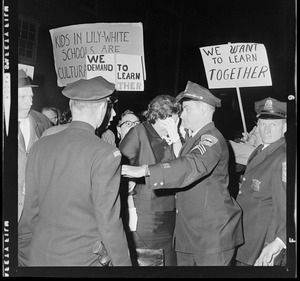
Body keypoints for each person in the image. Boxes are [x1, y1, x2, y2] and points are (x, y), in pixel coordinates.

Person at [121, 81, 244, 266]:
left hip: (210, 238)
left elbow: (190, 164)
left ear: (203, 110)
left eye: (186, 109)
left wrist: (144, 170)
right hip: (189, 235)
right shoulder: (193, 139)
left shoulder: (210, 139)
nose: (181, 114)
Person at [22, 76, 131, 266]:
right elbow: (109, 223)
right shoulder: (106, 153)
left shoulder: (40, 146)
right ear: (102, 108)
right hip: (82, 260)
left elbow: (30, 211)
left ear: (71, 105)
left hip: (39, 256)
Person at [119, 95, 182, 266]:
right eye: (173, 121)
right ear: (161, 118)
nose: (177, 124)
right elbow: (119, 166)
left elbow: (183, 165)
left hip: (171, 211)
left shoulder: (174, 136)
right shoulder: (139, 133)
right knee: (150, 261)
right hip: (148, 214)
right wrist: (129, 182)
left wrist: (176, 138)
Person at [235, 97, 287, 266]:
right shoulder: (259, 150)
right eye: (263, 124)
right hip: (246, 238)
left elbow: (283, 208)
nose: (267, 129)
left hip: (260, 245)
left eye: (274, 125)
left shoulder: (282, 158)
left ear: (284, 127)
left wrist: (273, 244)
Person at [17, 69, 52, 266]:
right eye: (22, 97)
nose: (28, 102)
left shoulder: (43, 122)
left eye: (30, 97)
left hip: (35, 209)